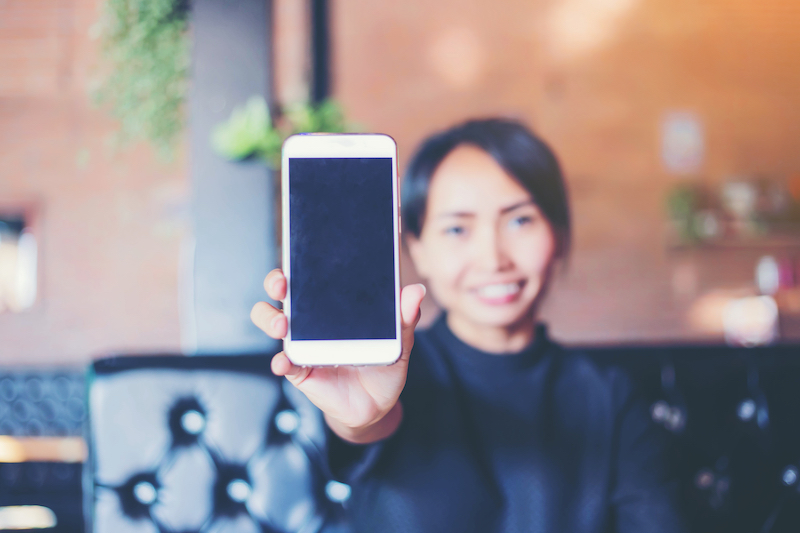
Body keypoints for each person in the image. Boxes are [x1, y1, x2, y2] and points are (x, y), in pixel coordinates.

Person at [251, 118, 685, 533]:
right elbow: (371, 425)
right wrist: (360, 421)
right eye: (458, 229)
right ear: (416, 248)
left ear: (559, 234)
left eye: (520, 220)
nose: (494, 258)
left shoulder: (608, 396)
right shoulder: (389, 373)